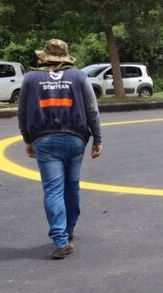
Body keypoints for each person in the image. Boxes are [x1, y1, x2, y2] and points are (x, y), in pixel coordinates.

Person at [17, 39, 103, 259]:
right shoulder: (79, 76)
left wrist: (28, 139)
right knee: (72, 186)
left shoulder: (30, 78)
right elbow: (92, 110)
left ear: (44, 56)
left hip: (44, 141)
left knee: (53, 190)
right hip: (75, 140)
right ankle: (69, 229)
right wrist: (97, 139)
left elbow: (23, 113)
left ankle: (60, 239)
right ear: (66, 56)